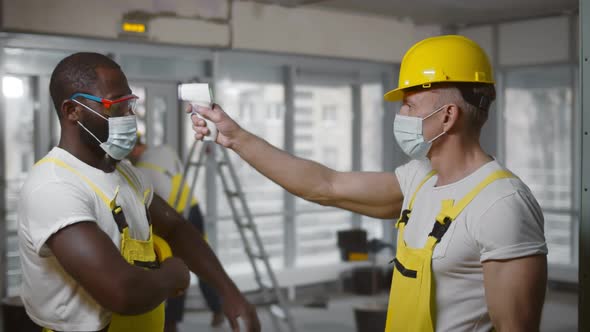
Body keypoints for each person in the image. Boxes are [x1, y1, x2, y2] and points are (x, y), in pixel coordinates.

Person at [189, 35, 548, 332]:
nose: (400, 115)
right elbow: (324, 186)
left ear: (448, 116)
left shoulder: (500, 204)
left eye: (409, 105)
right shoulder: (419, 180)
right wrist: (235, 137)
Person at [17, 52, 260, 332]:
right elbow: (121, 292)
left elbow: (176, 227)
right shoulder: (54, 186)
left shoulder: (124, 172)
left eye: (130, 104)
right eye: (115, 106)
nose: (129, 117)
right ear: (73, 111)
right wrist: (173, 275)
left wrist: (228, 291)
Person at [128, 138, 225, 330]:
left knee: (174, 267)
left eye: (133, 151)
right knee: (201, 261)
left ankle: (171, 323)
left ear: (138, 149)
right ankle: (218, 308)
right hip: (193, 210)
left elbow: (157, 205)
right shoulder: (164, 150)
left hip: (176, 218)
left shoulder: (141, 172)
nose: (132, 155)